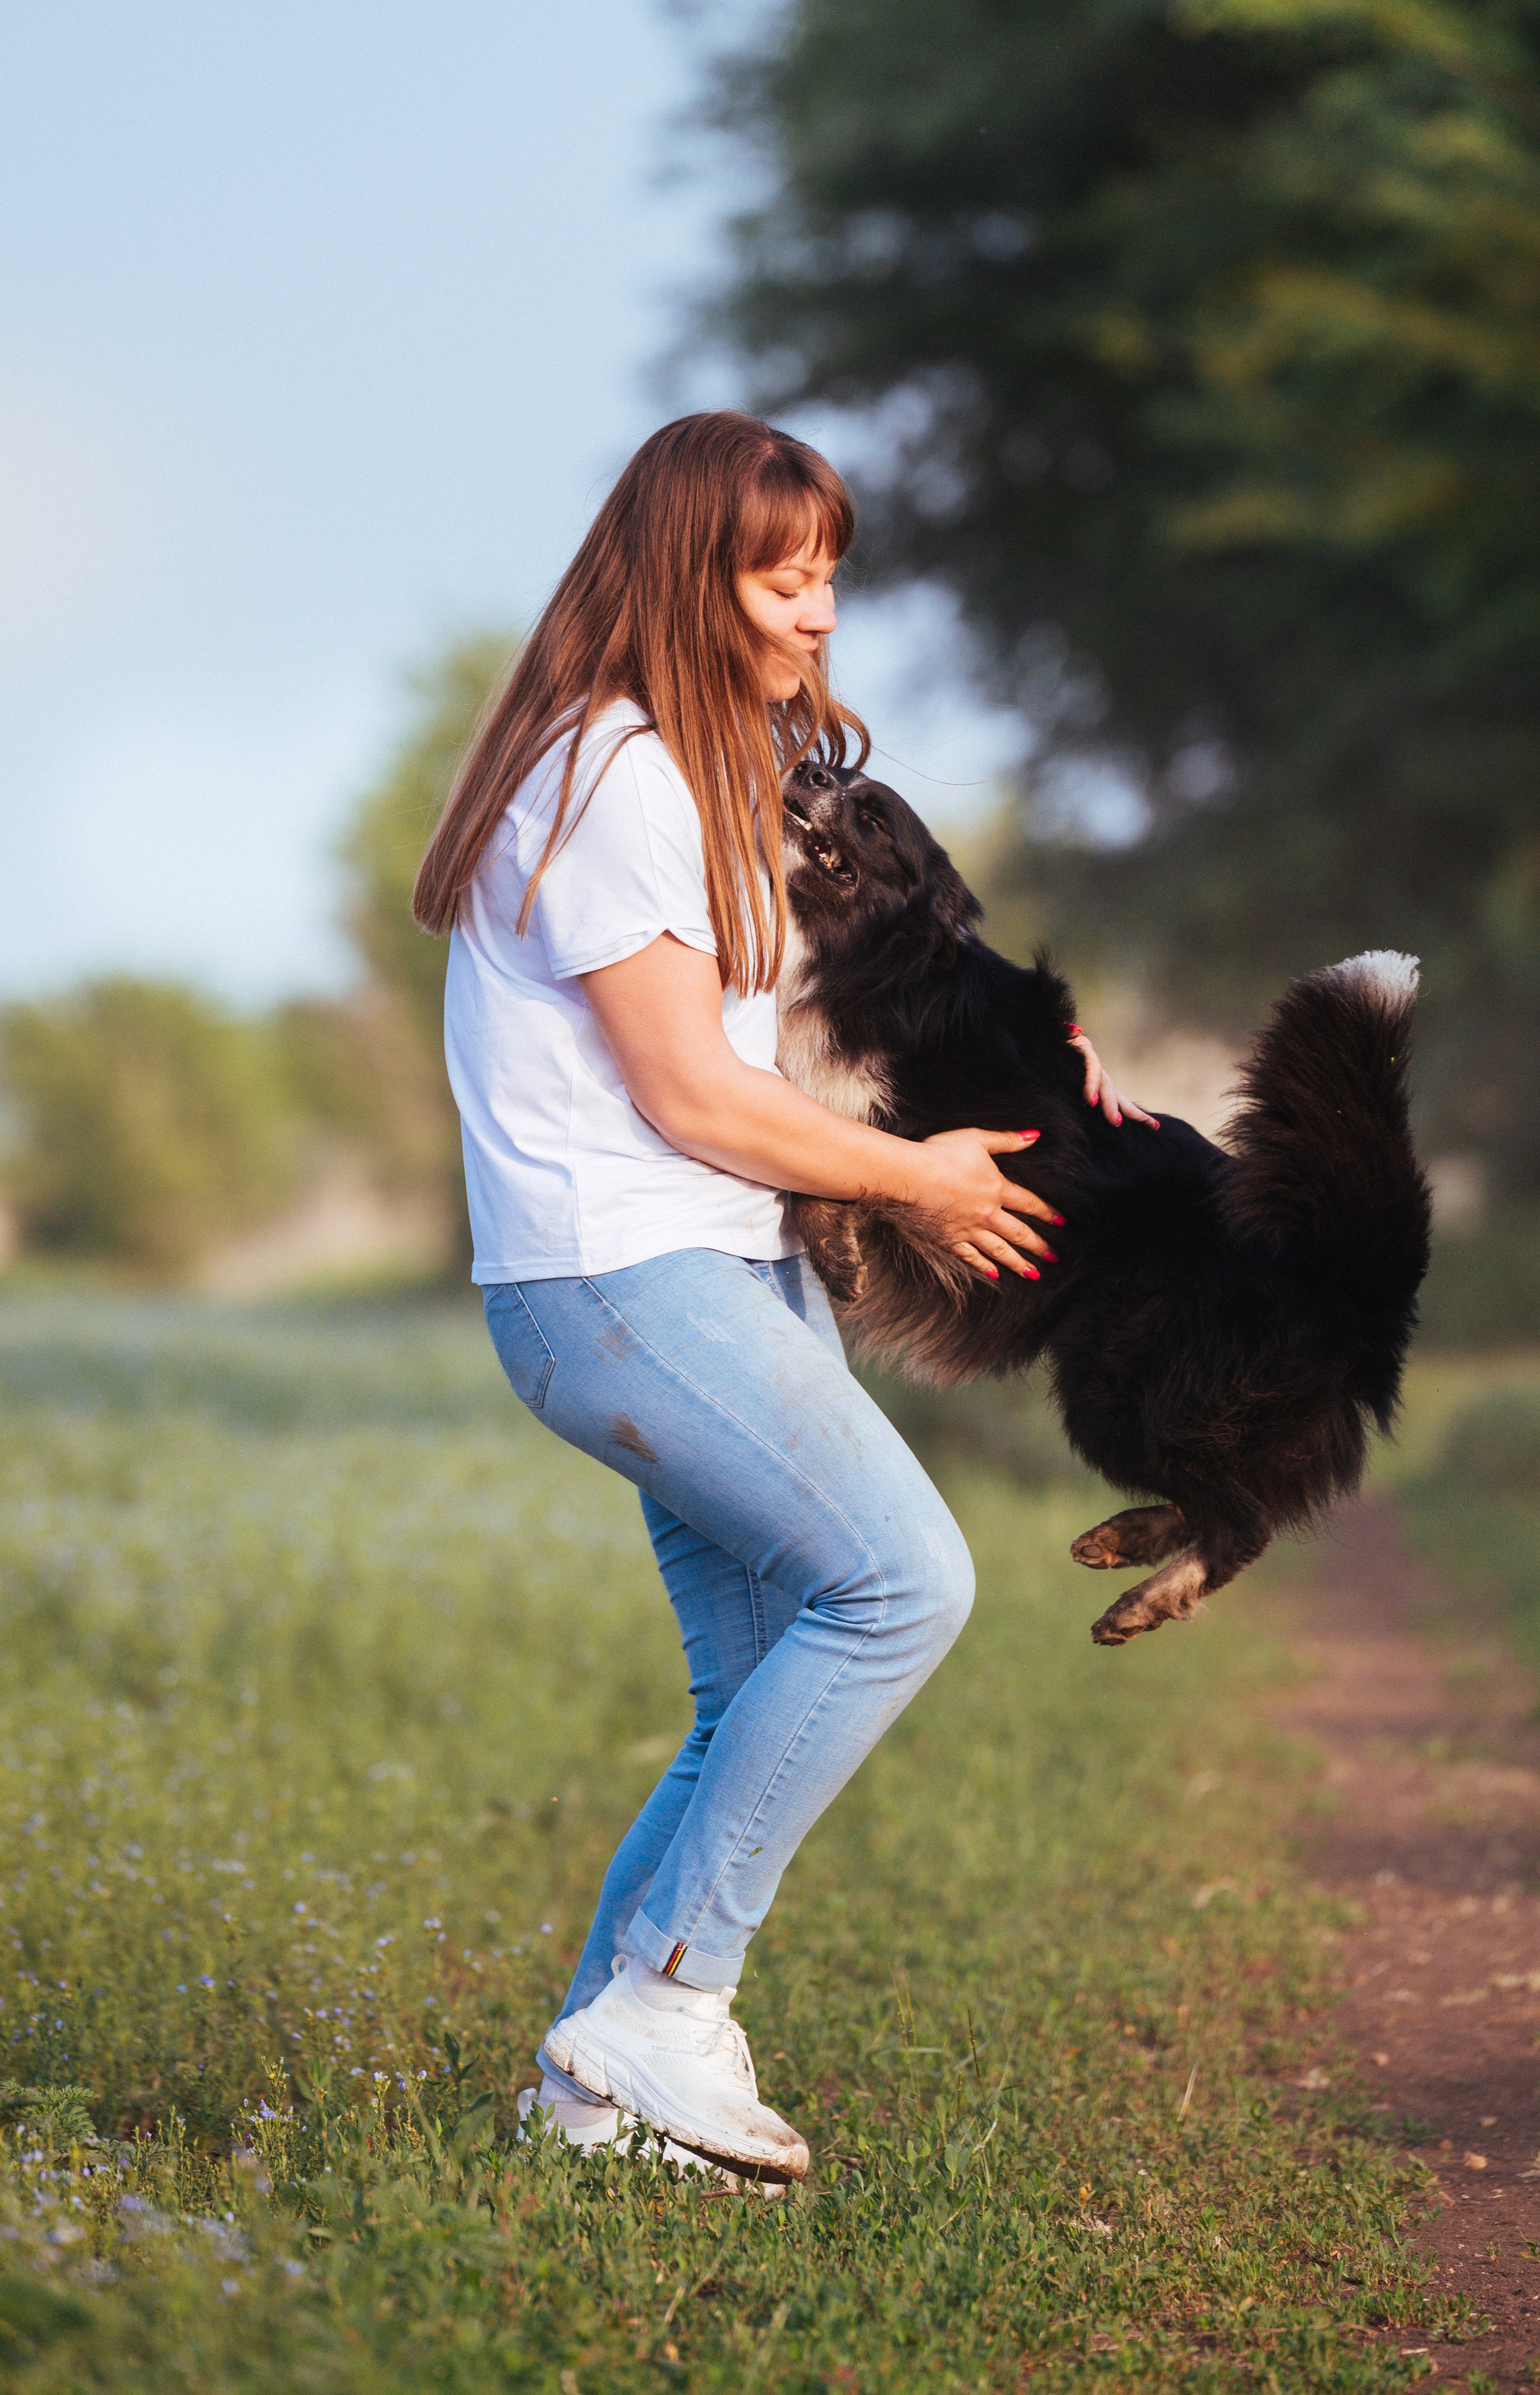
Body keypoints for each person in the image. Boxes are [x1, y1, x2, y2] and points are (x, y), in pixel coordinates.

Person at [413, 411, 1149, 2184]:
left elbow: (861, 986)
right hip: (623, 1279)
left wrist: (1041, 1059)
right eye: (780, 576)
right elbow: (687, 1094)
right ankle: (666, 2005)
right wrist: (922, 1179)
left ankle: (591, 2110)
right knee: (905, 1584)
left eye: (830, 575)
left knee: (757, 1689)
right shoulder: (612, 782)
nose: (819, 613)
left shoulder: (704, 765)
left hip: (719, 1266)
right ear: (690, 577)